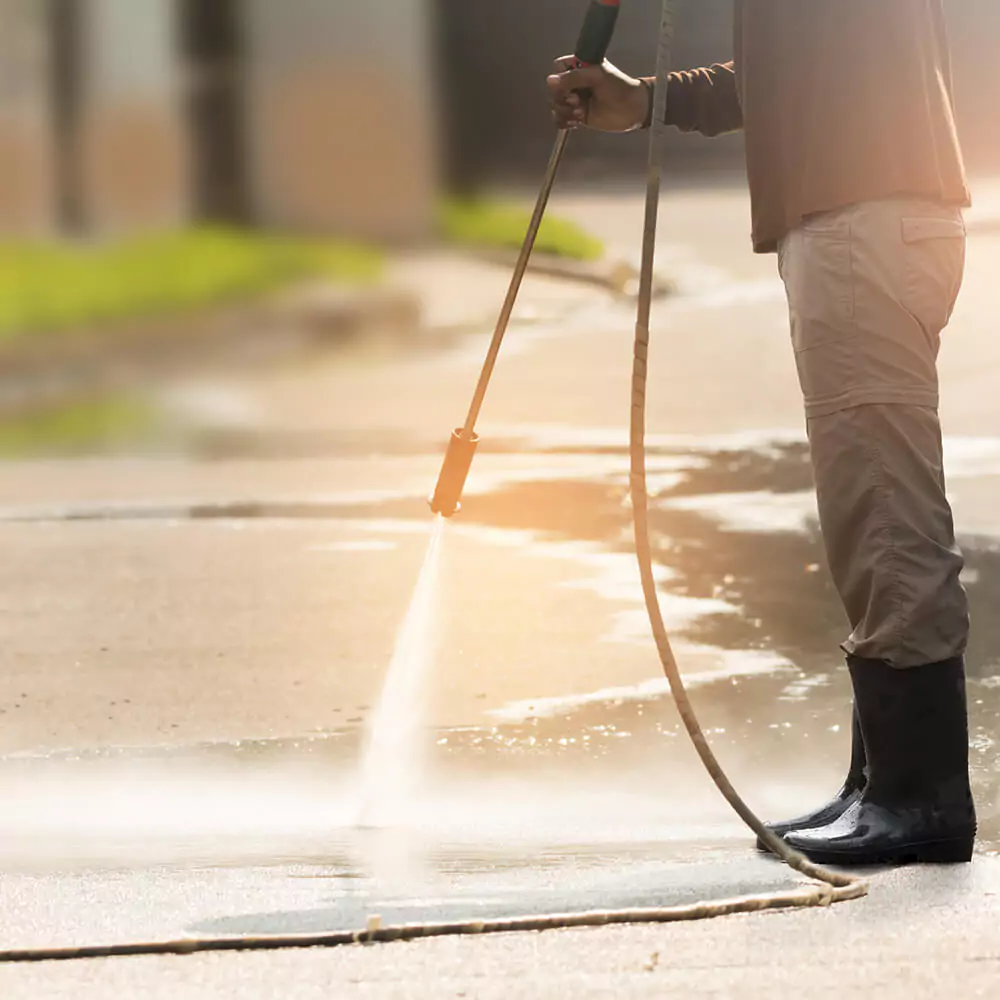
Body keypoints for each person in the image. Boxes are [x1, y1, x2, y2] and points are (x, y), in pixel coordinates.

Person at [548, 0, 977, 865]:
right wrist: (651, 101)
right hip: (853, 220)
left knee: (883, 510)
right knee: (865, 508)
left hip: (864, 218)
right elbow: (788, 72)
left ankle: (920, 796)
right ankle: (881, 781)